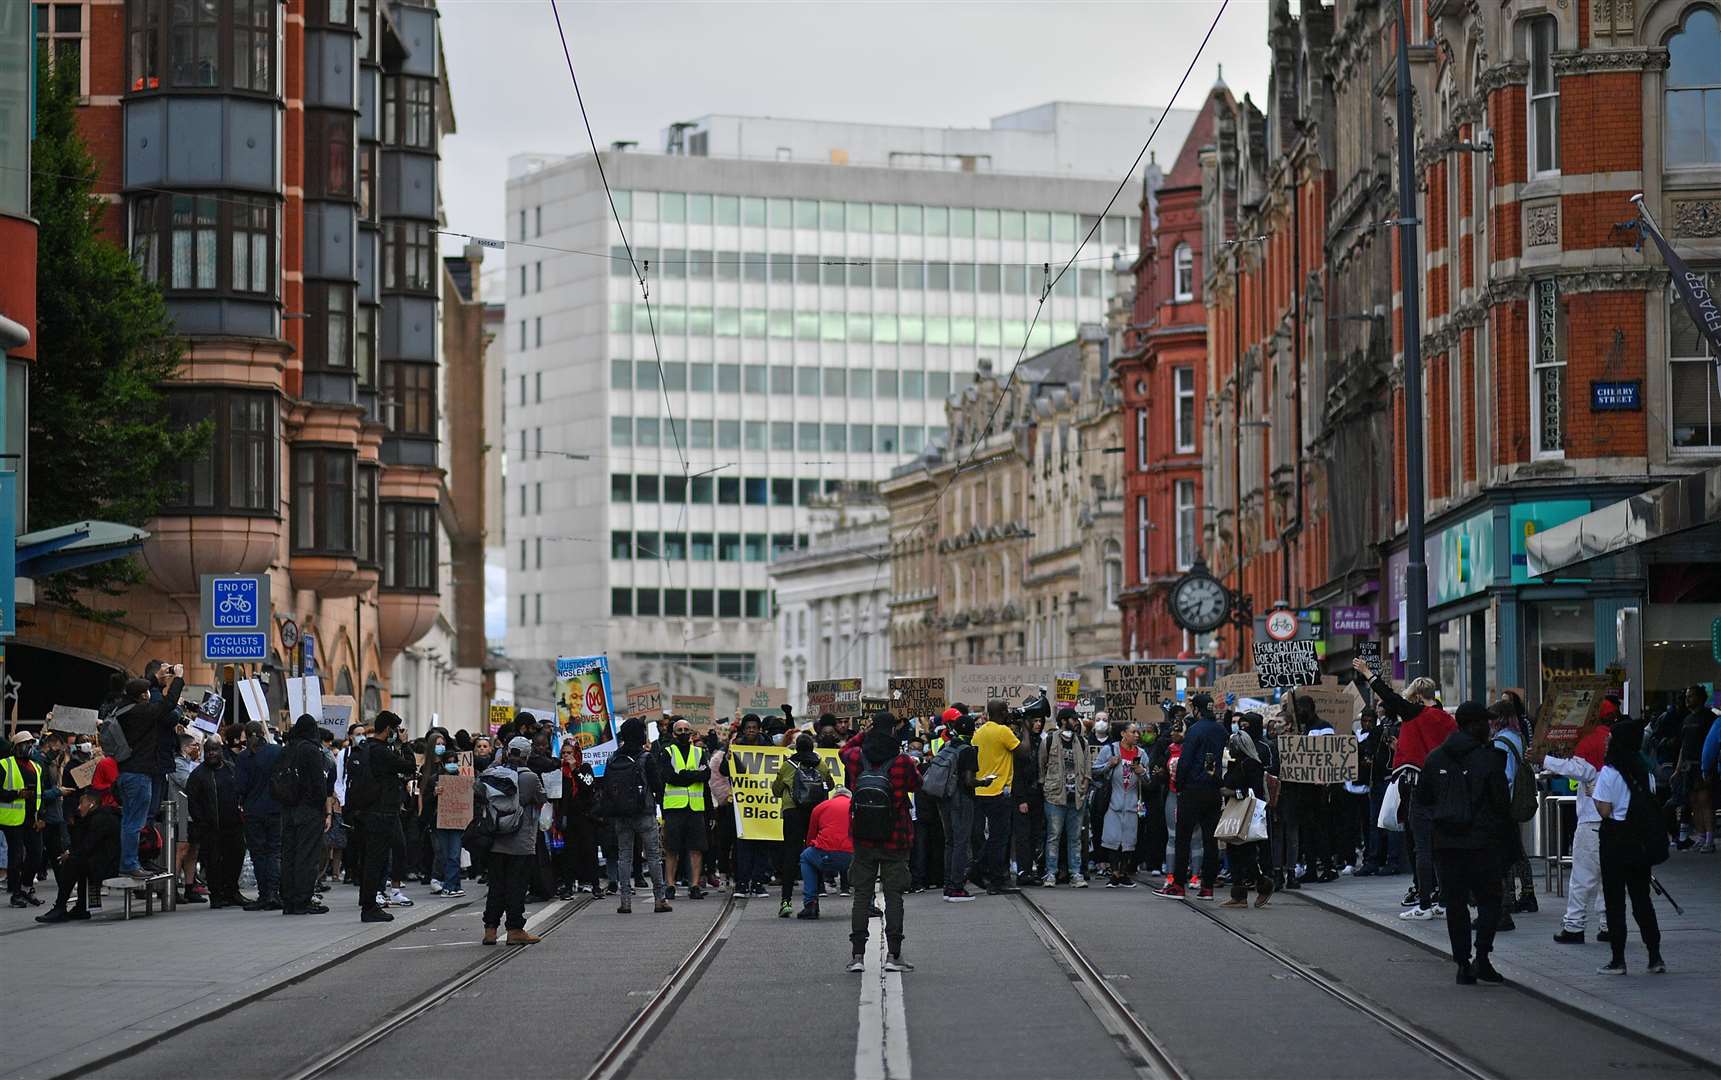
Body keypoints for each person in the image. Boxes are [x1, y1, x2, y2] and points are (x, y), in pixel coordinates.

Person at [1416, 701, 1510, 986]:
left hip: (1447, 843)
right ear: (1474, 725)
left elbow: (1423, 798)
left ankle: (1462, 963)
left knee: (1455, 904)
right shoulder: (1490, 758)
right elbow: (1501, 804)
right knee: (1490, 900)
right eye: (1485, 722)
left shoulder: (1435, 758)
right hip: (1482, 842)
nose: (1490, 727)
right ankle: (1482, 956)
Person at [1354, 657, 1455, 920]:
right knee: (1440, 847)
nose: (1407, 703)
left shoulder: (1417, 713)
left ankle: (1423, 903)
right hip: (1445, 788)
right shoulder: (1446, 719)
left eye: (1411, 698)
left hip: (1418, 785)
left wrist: (1368, 673)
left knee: (1421, 846)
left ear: (1419, 698)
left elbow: (1388, 697)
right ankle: (1443, 900)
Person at [841, 711, 920, 973]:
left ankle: (857, 956)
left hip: (863, 837)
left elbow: (845, 750)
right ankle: (894, 955)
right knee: (894, 895)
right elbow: (917, 785)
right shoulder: (903, 761)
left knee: (862, 895)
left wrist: (865, 732)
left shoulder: (856, 758)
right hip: (895, 837)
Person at [1592, 721, 1665, 975]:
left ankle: (1618, 960)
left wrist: (1596, 795)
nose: (1607, 741)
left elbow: (1604, 810)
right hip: (1639, 840)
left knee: (1614, 901)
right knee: (1642, 900)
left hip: (1615, 838)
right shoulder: (1645, 769)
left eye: (1610, 737)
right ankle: (1655, 956)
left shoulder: (1609, 772)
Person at [114, 669, 184, 878]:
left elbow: (133, 692)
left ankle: (129, 861)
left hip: (127, 773)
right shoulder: (140, 714)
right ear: (143, 696)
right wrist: (178, 678)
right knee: (135, 823)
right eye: (146, 692)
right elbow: (167, 705)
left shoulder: (124, 708)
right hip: (139, 774)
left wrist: (156, 678)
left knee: (129, 821)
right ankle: (130, 864)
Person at [477, 737, 547, 945]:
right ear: (526, 756)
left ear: (507, 752)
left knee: (496, 886)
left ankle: (490, 930)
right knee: (517, 886)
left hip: (496, 839)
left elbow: (479, 790)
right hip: (521, 841)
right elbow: (542, 798)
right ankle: (515, 929)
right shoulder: (530, 777)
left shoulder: (494, 772)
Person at [352, 712, 417, 922]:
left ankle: (367, 902)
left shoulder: (365, 749)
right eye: (395, 730)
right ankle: (370, 907)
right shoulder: (381, 752)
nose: (397, 734)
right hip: (382, 813)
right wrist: (405, 745)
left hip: (366, 812)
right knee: (376, 861)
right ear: (388, 729)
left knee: (370, 860)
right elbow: (409, 766)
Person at [1160, 694, 1226, 899]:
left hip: (1192, 789)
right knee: (1209, 841)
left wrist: (1179, 785)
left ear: (1196, 709)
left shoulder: (1195, 730)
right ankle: (1207, 887)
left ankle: (1178, 885)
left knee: (1183, 838)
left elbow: (1185, 761)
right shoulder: (1221, 730)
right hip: (1213, 790)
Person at [608, 717, 672, 915]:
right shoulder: (645, 757)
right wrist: (661, 806)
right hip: (644, 811)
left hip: (620, 814)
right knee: (653, 855)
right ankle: (660, 899)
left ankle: (625, 901)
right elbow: (657, 785)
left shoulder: (613, 758)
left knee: (624, 856)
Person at [772, 731, 837, 917]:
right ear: (812, 747)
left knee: (791, 855)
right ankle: (813, 900)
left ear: (796, 747)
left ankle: (786, 901)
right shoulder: (821, 764)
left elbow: (776, 791)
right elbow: (830, 785)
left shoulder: (787, 765)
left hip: (792, 812)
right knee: (813, 853)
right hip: (814, 814)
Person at [34, 788, 119, 924]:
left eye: (82, 804)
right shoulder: (95, 817)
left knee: (72, 863)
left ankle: (60, 907)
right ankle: (80, 906)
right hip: (104, 860)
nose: (79, 808)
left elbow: (89, 844)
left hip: (109, 865)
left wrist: (71, 855)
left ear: (91, 804)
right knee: (77, 861)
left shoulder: (101, 819)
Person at [276, 714, 331, 915]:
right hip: (308, 811)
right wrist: (324, 810)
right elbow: (319, 784)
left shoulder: (287, 749)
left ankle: (289, 899)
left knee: (289, 854)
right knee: (307, 857)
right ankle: (302, 900)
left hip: (288, 809)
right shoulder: (311, 750)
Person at [656, 718, 710, 902]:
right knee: (672, 848)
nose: (683, 733)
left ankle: (694, 885)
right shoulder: (667, 752)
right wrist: (693, 776)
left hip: (695, 808)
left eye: (686, 729)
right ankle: (670, 885)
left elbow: (706, 774)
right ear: (673, 733)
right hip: (675, 808)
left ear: (692, 733)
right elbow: (669, 777)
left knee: (696, 848)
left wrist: (685, 775)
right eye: (679, 730)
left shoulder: (699, 752)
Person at [233, 720, 284, 911]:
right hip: (275, 808)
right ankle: (273, 892)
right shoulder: (276, 752)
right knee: (274, 852)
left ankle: (264, 894)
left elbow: (240, 786)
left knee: (259, 854)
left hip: (253, 811)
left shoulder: (244, 757)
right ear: (263, 732)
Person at [971, 700, 1020, 894]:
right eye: (1006, 711)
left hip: (981, 790)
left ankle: (985, 873)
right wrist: (1023, 728)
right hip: (999, 791)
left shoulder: (979, 732)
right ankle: (987, 875)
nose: (1009, 713)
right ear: (1001, 712)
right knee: (999, 838)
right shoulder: (1003, 731)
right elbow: (1023, 752)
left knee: (994, 837)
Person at [1220, 727, 1273, 908]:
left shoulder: (1253, 764)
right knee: (1233, 854)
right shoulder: (1236, 764)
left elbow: (1254, 791)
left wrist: (1234, 792)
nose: (1230, 748)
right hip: (1234, 813)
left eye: (1232, 745)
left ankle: (1264, 885)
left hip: (1247, 814)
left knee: (1247, 855)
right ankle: (1239, 895)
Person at [1040, 707, 1092, 887]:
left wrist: (1084, 785)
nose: (1076, 722)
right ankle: (1051, 873)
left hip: (1076, 797)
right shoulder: (1049, 740)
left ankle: (1076, 873)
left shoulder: (1082, 742)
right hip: (1055, 797)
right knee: (1053, 836)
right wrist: (1046, 787)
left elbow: (1087, 767)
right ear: (1063, 721)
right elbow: (1042, 766)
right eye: (1073, 719)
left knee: (1075, 837)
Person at [1094, 722, 1148, 888]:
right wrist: (1109, 764)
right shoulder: (1109, 750)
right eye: (1133, 732)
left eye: (1138, 732)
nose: (1137, 735)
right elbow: (1094, 770)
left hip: (1132, 804)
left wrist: (1142, 772)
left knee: (1129, 840)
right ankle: (1115, 872)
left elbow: (1148, 780)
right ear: (1123, 733)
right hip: (1113, 802)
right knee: (1112, 838)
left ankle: (1123, 873)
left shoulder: (1142, 754)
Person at [937, 713, 980, 903]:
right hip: (961, 799)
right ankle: (956, 887)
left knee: (950, 842)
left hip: (945, 798)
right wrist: (984, 782)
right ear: (972, 731)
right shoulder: (968, 750)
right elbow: (969, 780)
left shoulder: (948, 745)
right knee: (961, 841)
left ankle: (948, 885)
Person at [419, 728, 465, 899]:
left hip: (457, 821)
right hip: (439, 821)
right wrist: (434, 794)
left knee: (454, 854)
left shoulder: (461, 778)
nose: (452, 764)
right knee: (445, 854)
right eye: (449, 762)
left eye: (455, 762)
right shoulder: (433, 779)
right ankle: (448, 885)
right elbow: (425, 799)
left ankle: (453, 885)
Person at [798, 785, 854, 919]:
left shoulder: (821, 807)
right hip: (853, 855)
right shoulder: (856, 805)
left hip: (826, 853)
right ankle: (868, 904)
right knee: (868, 861)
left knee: (806, 857)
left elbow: (811, 836)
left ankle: (810, 903)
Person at [1674, 686, 1716, 852]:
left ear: (1700, 697)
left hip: (1703, 765)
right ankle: (1701, 836)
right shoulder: (1686, 720)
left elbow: (1713, 744)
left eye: (1691, 696)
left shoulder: (1709, 718)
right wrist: (1677, 769)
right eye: (1687, 696)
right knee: (1693, 802)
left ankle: (1710, 839)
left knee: (1705, 801)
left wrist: (1710, 768)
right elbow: (1683, 746)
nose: (1688, 699)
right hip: (1687, 767)